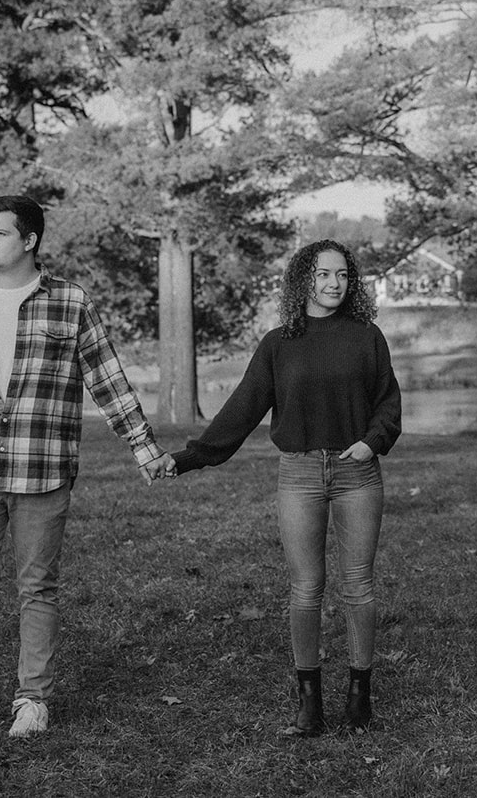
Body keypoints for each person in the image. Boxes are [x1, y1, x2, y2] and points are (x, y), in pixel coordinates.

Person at [0, 194, 176, 739]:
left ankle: (32, 699)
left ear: (30, 240)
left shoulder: (70, 302)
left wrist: (143, 446)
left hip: (43, 470)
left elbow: (108, 378)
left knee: (37, 587)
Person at [169, 239, 401, 737]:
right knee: (305, 589)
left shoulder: (368, 337)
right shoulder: (278, 344)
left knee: (357, 586)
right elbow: (241, 410)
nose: (334, 283)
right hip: (298, 475)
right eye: (322, 274)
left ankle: (360, 695)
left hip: (357, 473)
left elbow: (388, 403)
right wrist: (189, 459)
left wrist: (371, 442)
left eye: (342, 275)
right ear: (303, 280)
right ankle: (309, 703)